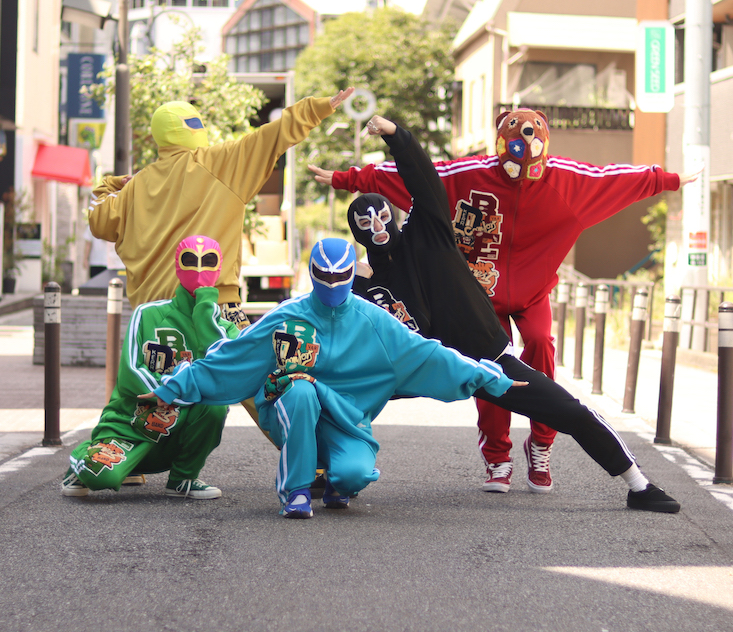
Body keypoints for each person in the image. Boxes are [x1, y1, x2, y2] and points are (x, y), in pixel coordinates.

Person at [311, 107, 700, 493]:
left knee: (557, 388)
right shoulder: (363, 282)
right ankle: (316, 470)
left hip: (489, 342)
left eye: (382, 218)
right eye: (366, 224)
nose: (377, 228)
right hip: (422, 361)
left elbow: (421, 174)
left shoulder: (429, 232)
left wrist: (396, 135)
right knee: (327, 390)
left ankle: (634, 481)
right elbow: (329, 329)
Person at [138, 238, 525, 519]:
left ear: (352, 272)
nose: (334, 282)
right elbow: (233, 357)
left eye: (341, 274)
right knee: (300, 389)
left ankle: (338, 481)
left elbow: (427, 353)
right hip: (291, 405)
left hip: (346, 419)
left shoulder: (375, 321)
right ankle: (296, 491)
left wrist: (491, 377)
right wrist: (173, 388)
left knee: (354, 475)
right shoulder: (287, 316)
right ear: (312, 273)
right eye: (324, 274)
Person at [89, 88, 354, 316]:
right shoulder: (219, 163)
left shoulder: (135, 187)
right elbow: (272, 136)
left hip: (153, 313)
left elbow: (97, 217)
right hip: (214, 307)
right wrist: (317, 108)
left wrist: (114, 183)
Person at [61, 235, 240, 499]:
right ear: (177, 266)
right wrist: (171, 390)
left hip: (176, 430)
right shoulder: (147, 314)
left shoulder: (225, 329)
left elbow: (222, 374)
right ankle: (82, 462)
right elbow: (130, 372)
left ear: (219, 268)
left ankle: (183, 478)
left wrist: (205, 311)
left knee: (215, 408)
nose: (199, 269)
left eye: (208, 261)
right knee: (102, 478)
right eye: (190, 260)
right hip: (133, 424)